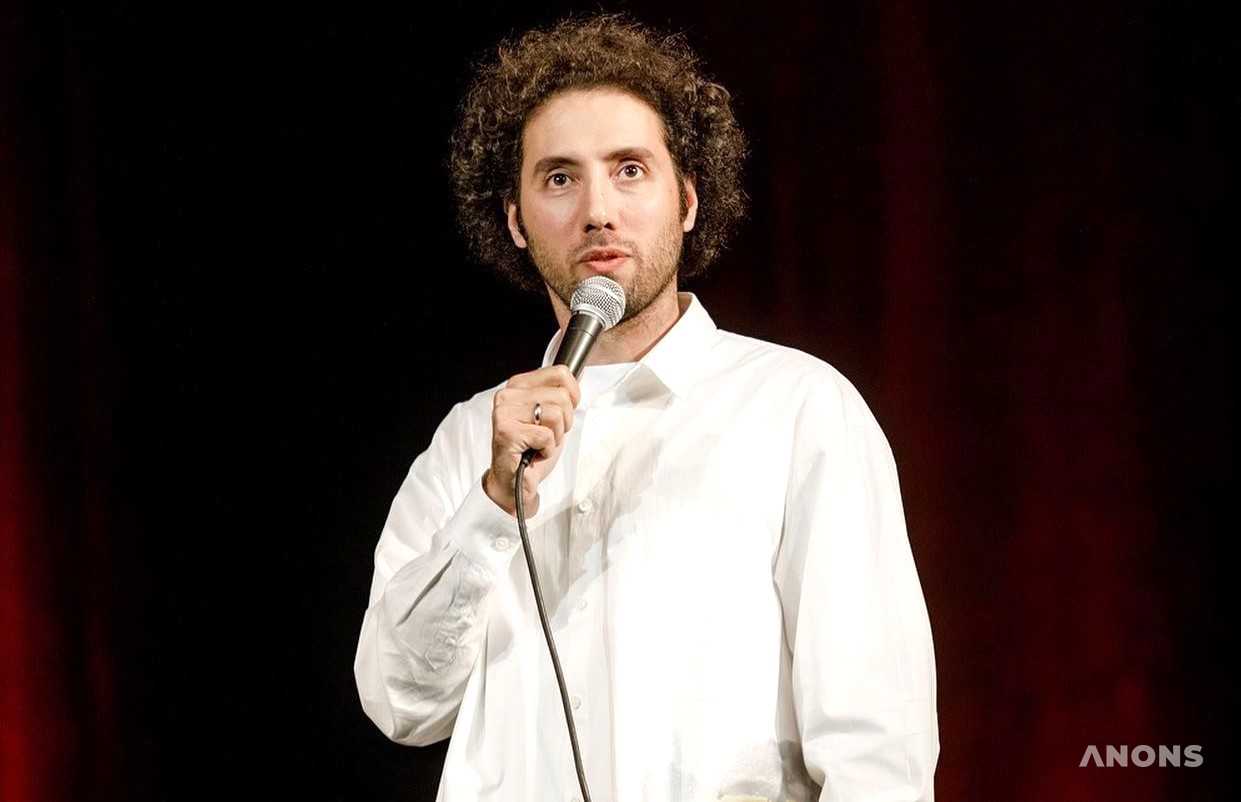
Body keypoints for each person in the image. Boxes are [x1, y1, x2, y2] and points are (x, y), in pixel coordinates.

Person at [354, 14, 938, 802]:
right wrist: (491, 507)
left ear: (687, 200)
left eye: (629, 170)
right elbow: (401, 704)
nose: (598, 209)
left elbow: (876, 740)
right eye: (558, 178)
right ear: (515, 220)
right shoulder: (469, 440)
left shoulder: (797, 406)